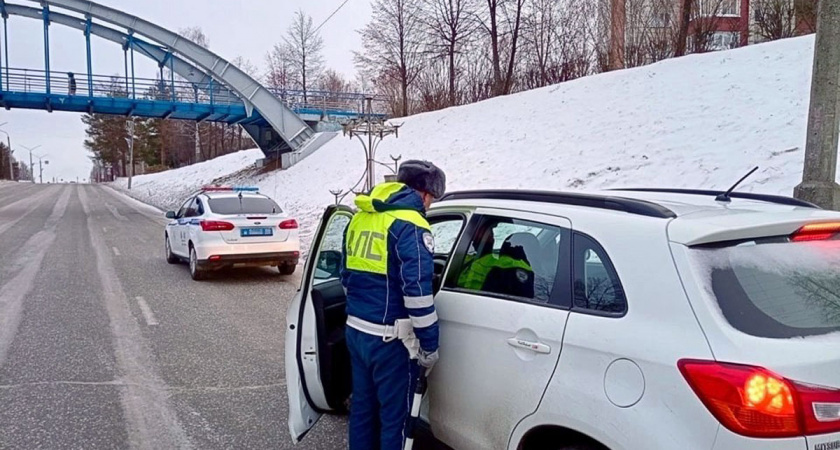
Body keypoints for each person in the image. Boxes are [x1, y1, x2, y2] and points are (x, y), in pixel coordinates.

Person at [340, 160, 446, 450]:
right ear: (425, 193)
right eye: (433, 199)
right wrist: (429, 347)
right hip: (391, 341)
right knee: (395, 420)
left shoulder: (361, 217)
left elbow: (345, 277)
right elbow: (418, 295)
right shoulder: (411, 225)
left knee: (362, 409)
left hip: (356, 331)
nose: (431, 206)